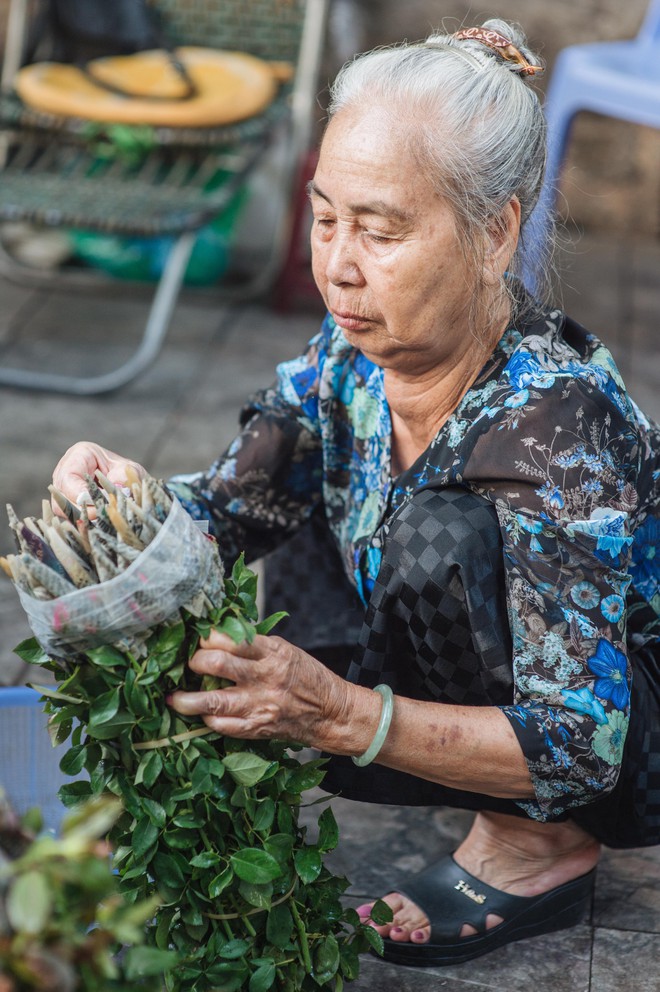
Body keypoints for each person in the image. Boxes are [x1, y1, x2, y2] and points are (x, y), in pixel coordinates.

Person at [52, 19, 660, 969]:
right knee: (301, 476)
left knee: (435, 536)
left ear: (495, 231)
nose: (337, 263)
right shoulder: (351, 357)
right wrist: (119, 505)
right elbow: (229, 506)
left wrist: (337, 713)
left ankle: (538, 844)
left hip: (624, 743)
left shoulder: (557, 424)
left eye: (380, 230)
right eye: (326, 217)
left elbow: (584, 739)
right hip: (501, 695)